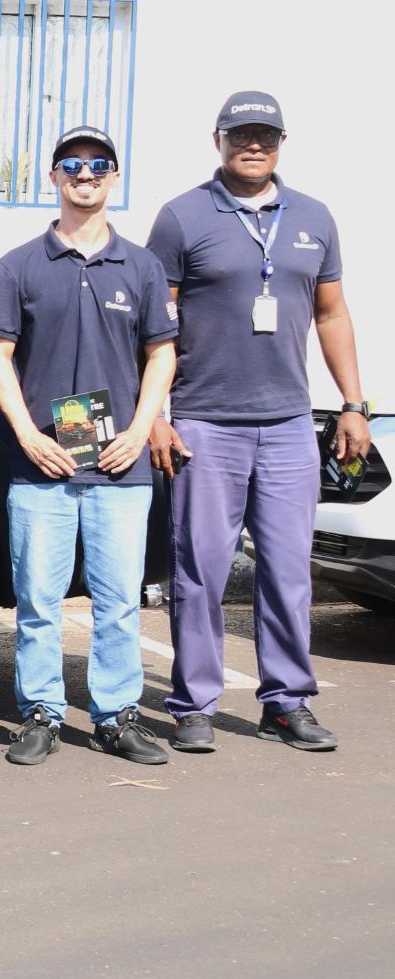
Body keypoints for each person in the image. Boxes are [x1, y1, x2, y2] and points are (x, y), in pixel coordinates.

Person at [148, 92, 369, 753]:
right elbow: (156, 324)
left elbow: (331, 314)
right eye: (242, 134)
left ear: (281, 141)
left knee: (287, 571)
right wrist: (157, 414)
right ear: (217, 139)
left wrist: (353, 403)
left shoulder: (313, 218)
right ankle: (194, 705)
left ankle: (286, 703)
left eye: (266, 135)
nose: (254, 145)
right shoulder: (182, 218)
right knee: (200, 572)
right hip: (205, 421)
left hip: (288, 425)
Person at [0, 126, 178, 767]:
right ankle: (40, 711)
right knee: (38, 601)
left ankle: (116, 716)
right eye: (72, 164)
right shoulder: (18, 266)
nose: (85, 174)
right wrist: (29, 435)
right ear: (55, 176)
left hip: (119, 467)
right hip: (42, 466)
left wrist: (140, 428)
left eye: (99, 165)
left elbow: (162, 354)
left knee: (119, 603)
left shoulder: (143, 266)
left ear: (114, 176)